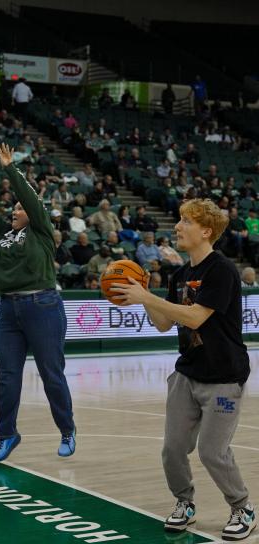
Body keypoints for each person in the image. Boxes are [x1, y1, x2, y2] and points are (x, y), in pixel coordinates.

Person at [111, 198, 256, 541]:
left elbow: (195, 317)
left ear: (206, 231)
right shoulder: (180, 275)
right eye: (178, 220)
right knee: (172, 449)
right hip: (187, 374)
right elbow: (164, 323)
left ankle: (243, 508)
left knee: (211, 451)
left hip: (224, 376)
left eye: (185, 222)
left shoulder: (221, 270)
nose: (177, 227)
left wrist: (148, 298)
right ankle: (184, 504)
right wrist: (144, 295)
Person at [0, 144, 75, 463]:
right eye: (13, 210)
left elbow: (30, 198)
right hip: (8, 309)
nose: (14, 212)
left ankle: (67, 429)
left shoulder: (40, 231)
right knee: (8, 376)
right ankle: (7, 435)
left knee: (51, 373)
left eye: (20, 209)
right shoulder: (2, 234)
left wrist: (11, 168)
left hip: (43, 305)